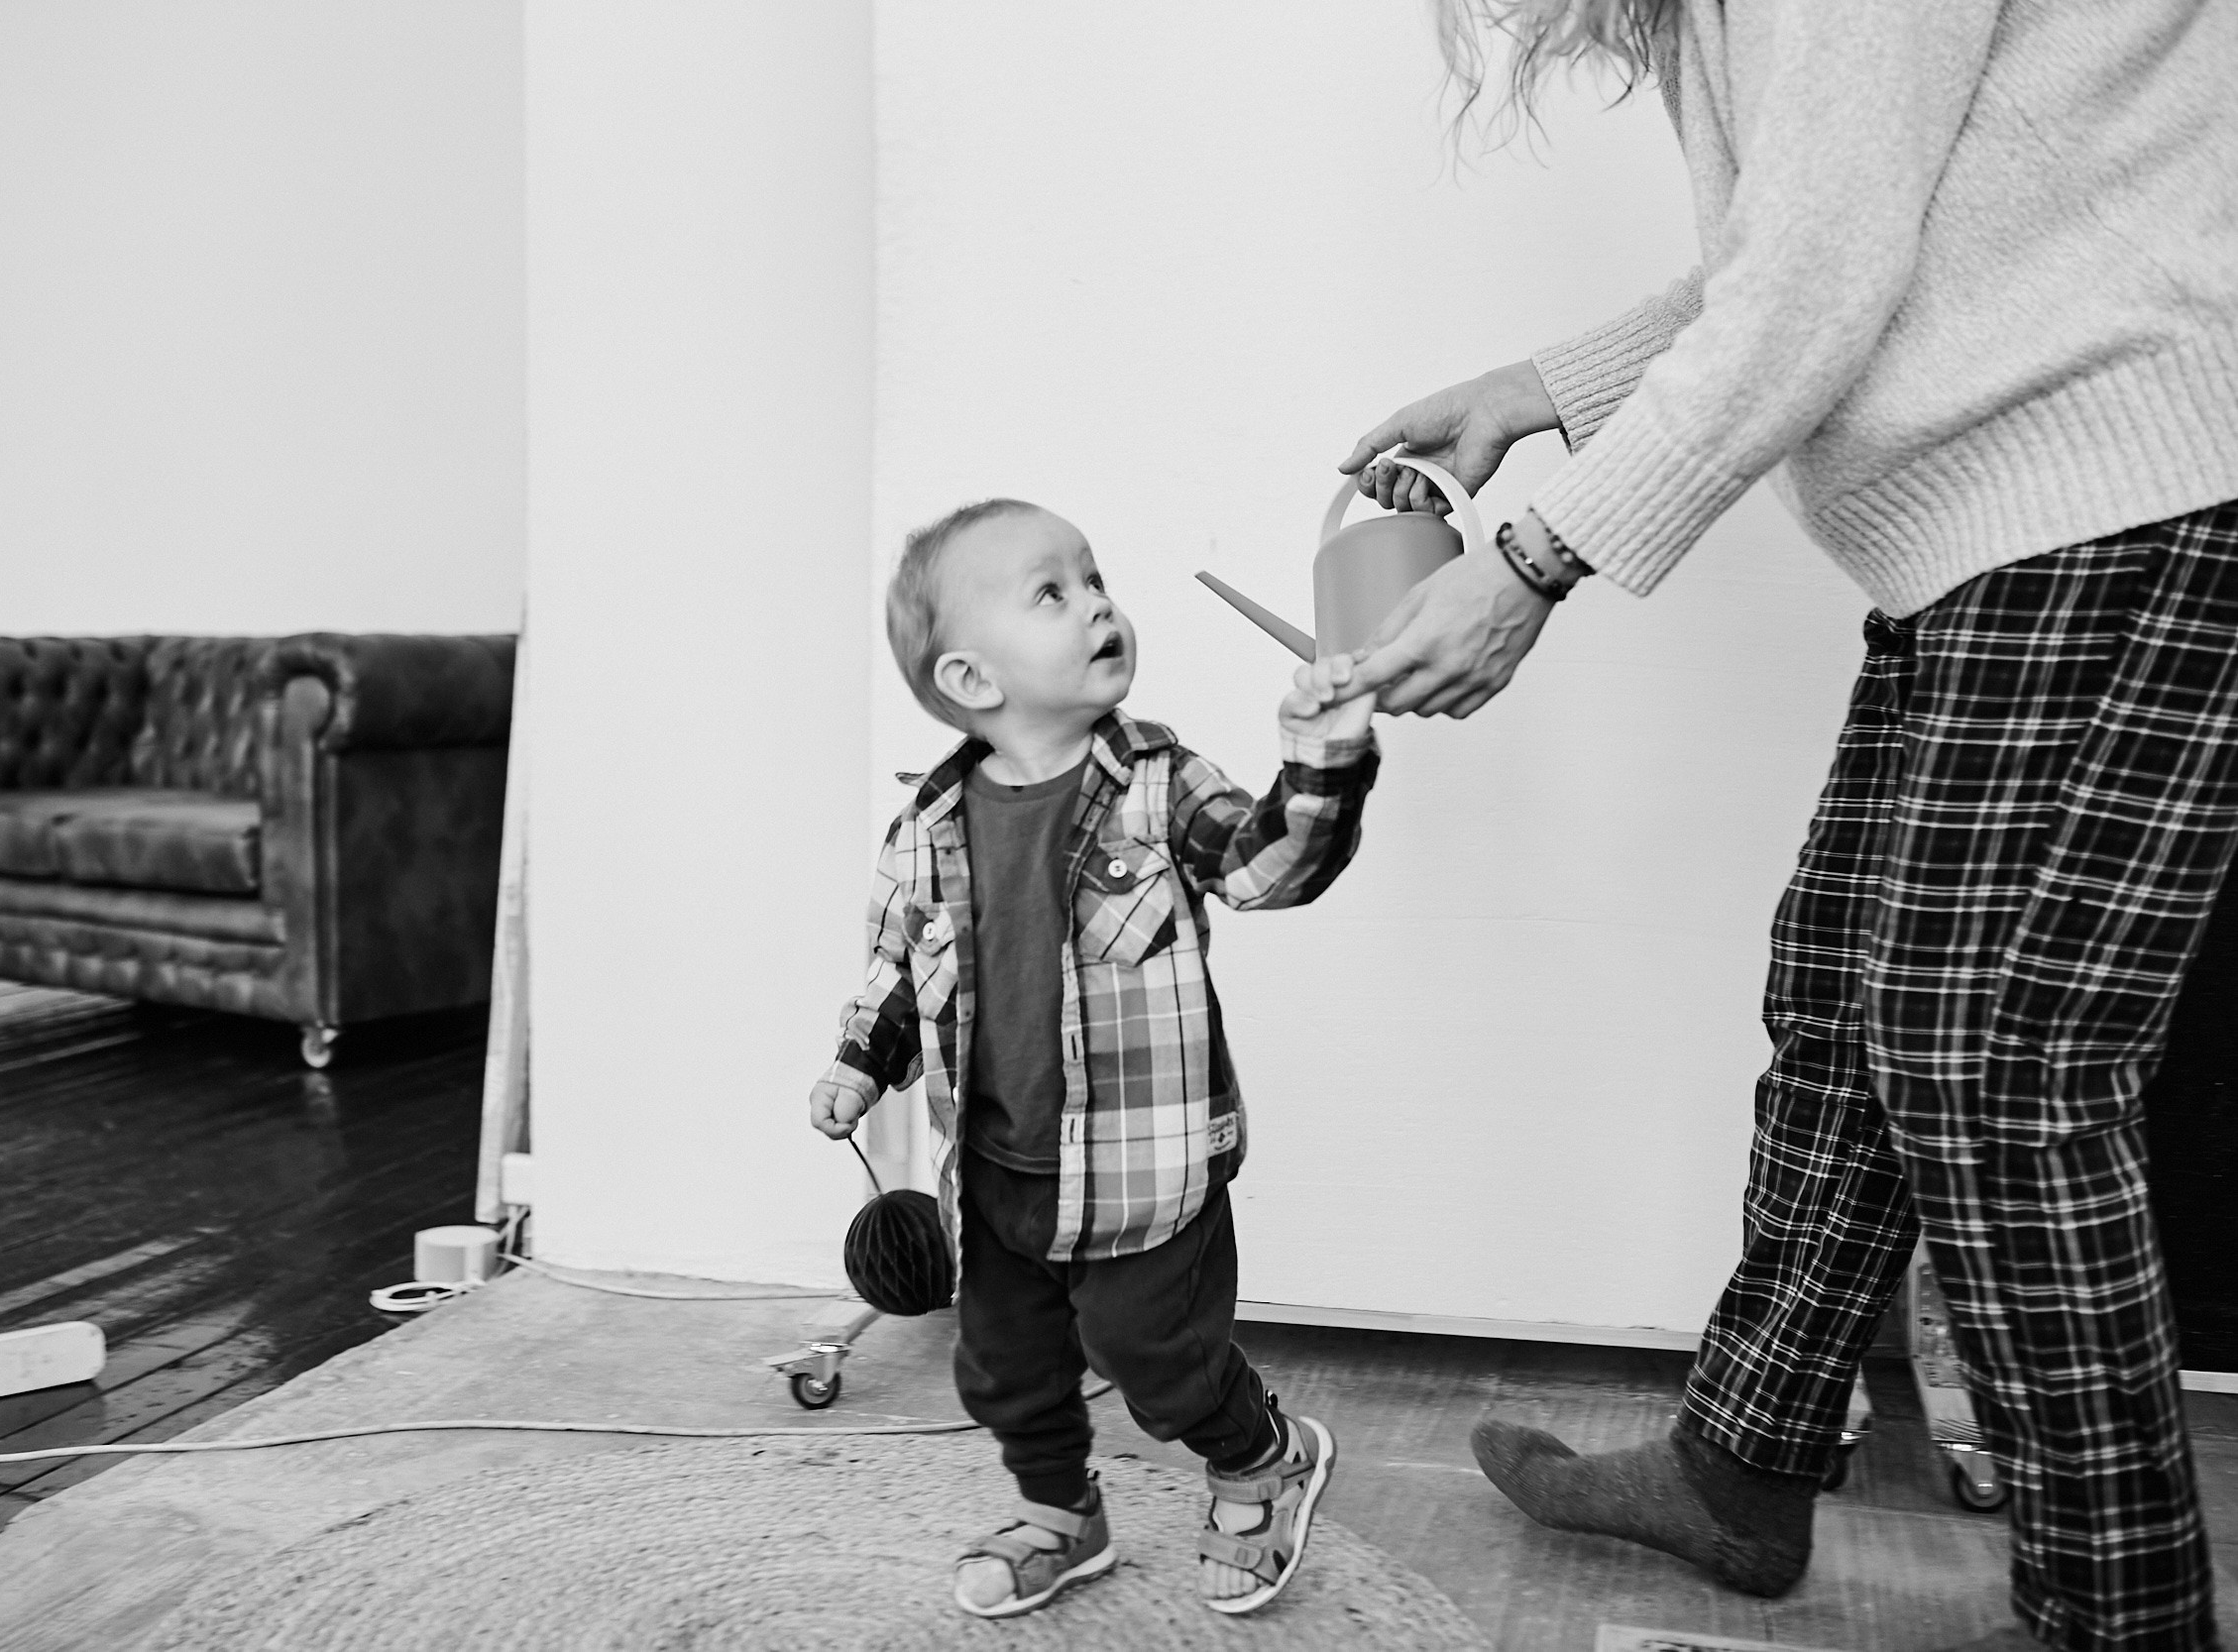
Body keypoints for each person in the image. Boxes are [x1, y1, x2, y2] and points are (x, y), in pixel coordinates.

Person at [1289, 2, 2238, 1648]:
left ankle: (2122, 1611)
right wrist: (1536, 389)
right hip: (2020, 525)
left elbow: (1813, 282)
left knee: (1996, 1065)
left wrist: (1532, 565)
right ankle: (1744, 1459)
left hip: (2122, 498)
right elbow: (1855, 223)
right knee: (1842, 1002)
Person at [809, 498, 1378, 1618]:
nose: (1098, 601)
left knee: (1153, 1352)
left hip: (1141, 1164)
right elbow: (891, 970)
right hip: (996, 1168)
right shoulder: (924, 830)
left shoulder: (1159, 784)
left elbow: (1271, 866)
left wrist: (1323, 749)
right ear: (974, 682)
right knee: (1003, 1366)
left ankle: (1263, 1457)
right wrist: (855, 1066)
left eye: (1094, 576)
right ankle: (1060, 1514)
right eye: (1052, 591)